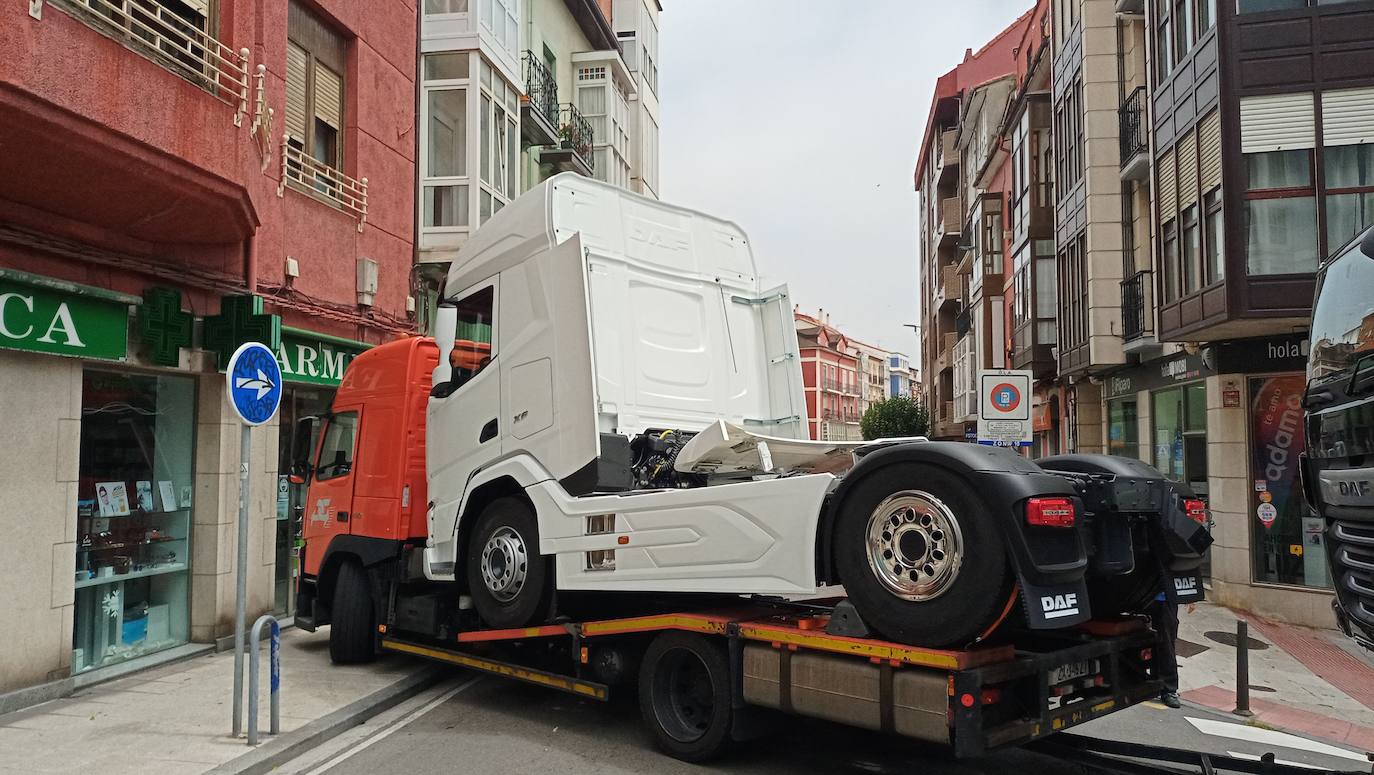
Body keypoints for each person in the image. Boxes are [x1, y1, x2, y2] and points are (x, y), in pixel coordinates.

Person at [1151, 588, 1181, 708]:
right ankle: (1155, 682)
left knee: (1166, 643)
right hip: (1140, 597)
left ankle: (1169, 689)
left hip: (1165, 598)